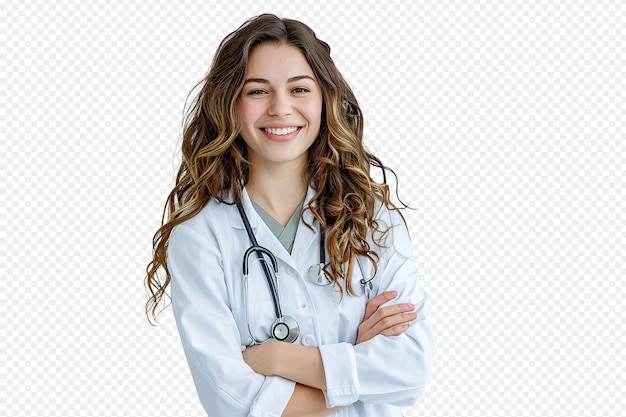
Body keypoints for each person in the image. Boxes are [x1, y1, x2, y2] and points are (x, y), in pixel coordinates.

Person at [145, 13, 434, 417]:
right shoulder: (200, 235)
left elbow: (411, 372)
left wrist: (277, 359)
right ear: (230, 103)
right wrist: (355, 366)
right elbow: (232, 403)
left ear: (324, 99)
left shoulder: (374, 220)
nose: (281, 108)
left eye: (299, 88)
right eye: (258, 91)